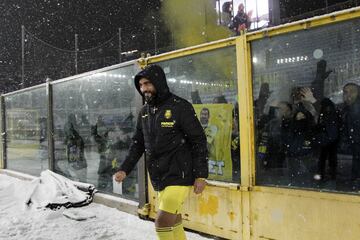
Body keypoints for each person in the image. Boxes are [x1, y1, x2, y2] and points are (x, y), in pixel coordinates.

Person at [113, 64, 208, 240]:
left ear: (159, 82)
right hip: (158, 176)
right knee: (174, 219)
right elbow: (137, 144)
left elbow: (198, 140)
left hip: (179, 174)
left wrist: (201, 175)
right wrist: (124, 169)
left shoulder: (180, 107)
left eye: (147, 83)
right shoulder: (144, 113)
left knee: (162, 221)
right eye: (141, 85)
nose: (144, 89)